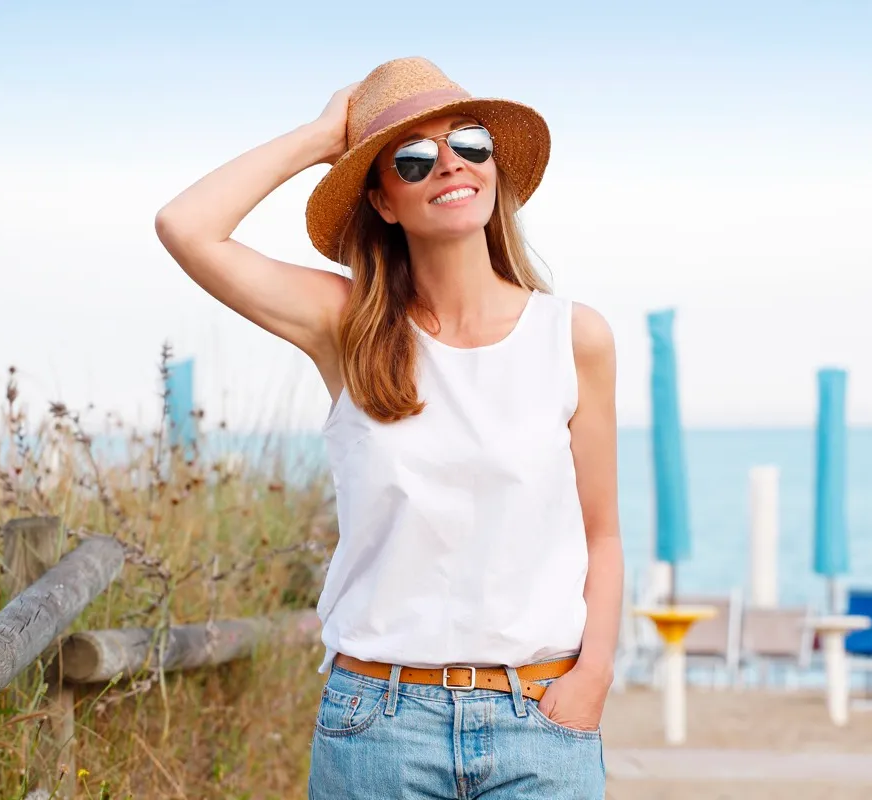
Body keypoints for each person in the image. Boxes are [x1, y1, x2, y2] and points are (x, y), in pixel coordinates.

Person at [155, 56, 623, 799]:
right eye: (412, 157)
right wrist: (321, 137)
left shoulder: (575, 337)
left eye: (469, 142)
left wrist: (593, 674)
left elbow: (603, 534)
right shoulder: (348, 327)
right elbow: (187, 226)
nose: (449, 164)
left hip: (541, 720)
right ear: (382, 199)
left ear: (494, 168)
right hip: (378, 727)